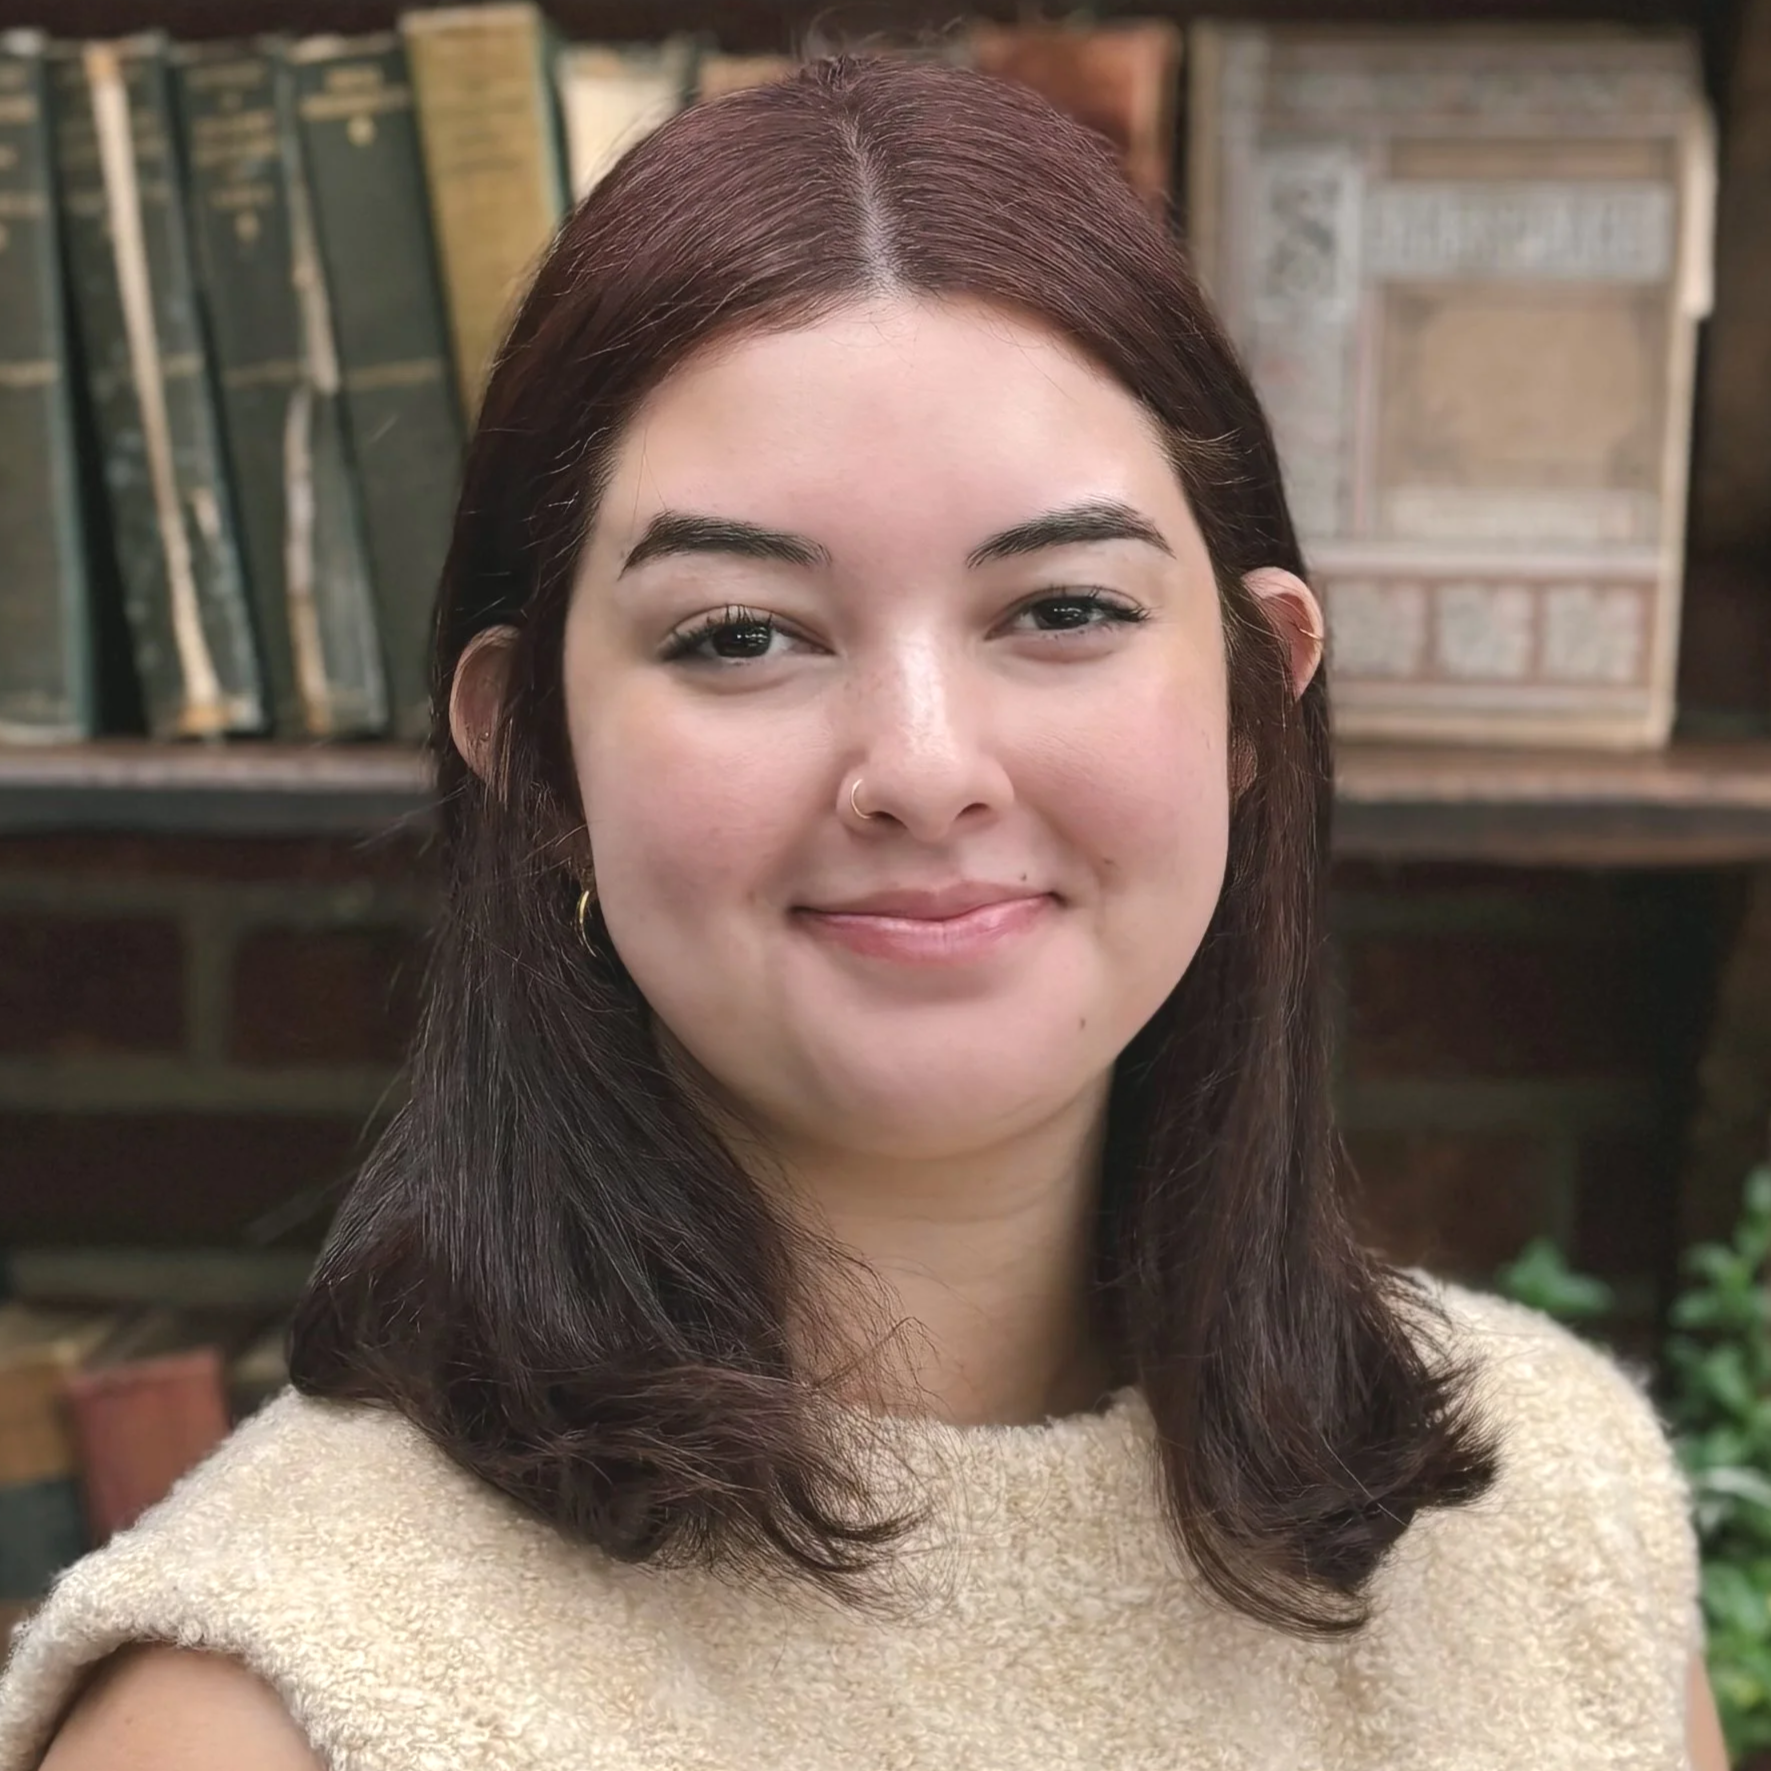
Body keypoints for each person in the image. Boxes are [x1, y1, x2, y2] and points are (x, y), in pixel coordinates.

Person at [0, 51, 1728, 1771]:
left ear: (1250, 703)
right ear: (533, 759)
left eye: (1060, 605)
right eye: (740, 632)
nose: (919, 766)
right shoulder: (265, 1703)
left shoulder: (1552, 1523)